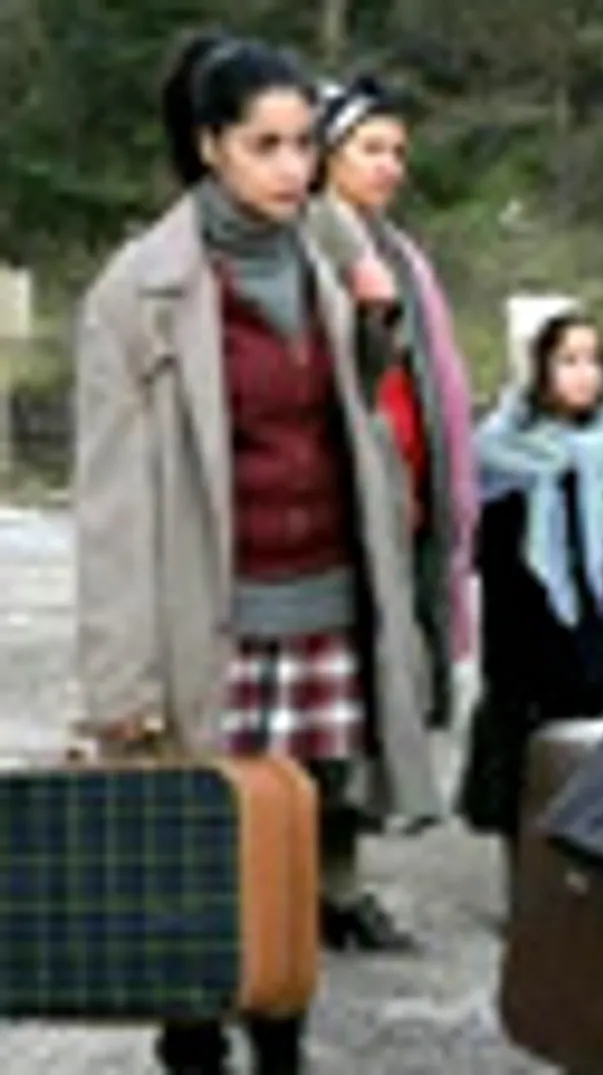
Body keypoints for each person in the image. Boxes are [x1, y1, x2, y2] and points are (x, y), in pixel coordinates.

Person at [71, 30, 440, 1075]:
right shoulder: (138, 290)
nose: (291, 168)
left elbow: (357, 423)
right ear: (209, 146)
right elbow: (112, 508)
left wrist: (375, 325)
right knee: (199, 861)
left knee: (292, 855)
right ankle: (192, 1047)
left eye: (303, 145)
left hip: (325, 608)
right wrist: (121, 681)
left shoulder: (330, 255)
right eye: (264, 146)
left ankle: (284, 1045)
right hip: (211, 622)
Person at [457, 309, 603, 903]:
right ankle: (527, 893)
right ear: (540, 370)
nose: (583, 374)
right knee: (527, 770)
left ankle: (593, 893)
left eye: (593, 360)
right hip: (529, 641)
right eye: (568, 360)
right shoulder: (502, 453)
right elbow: (490, 558)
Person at [308, 72, 479, 736]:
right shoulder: (312, 247)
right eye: (371, 149)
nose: (390, 167)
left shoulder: (400, 256)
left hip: (410, 490)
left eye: (399, 153)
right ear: (328, 155)